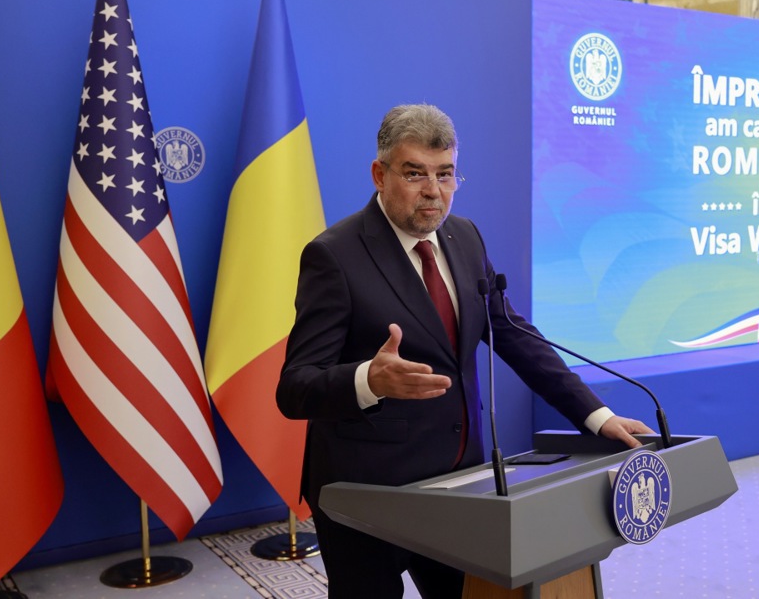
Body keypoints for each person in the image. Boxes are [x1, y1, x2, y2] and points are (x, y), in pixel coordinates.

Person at [276, 103, 653, 599]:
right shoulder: (334, 255)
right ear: (380, 174)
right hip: (366, 492)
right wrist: (368, 380)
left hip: (460, 485)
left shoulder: (465, 237)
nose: (433, 190)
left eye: (445, 174)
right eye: (415, 173)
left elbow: (513, 335)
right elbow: (295, 387)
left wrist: (596, 416)